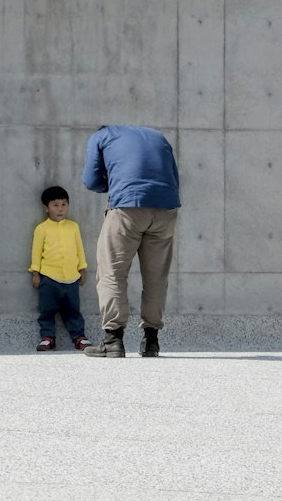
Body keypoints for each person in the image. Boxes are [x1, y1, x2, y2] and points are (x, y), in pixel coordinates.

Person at [80, 126, 180, 359]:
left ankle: (113, 341)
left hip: (127, 207)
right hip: (166, 208)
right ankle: (151, 341)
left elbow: (91, 181)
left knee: (112, 272)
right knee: (157, 277)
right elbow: (173, 176)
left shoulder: (100, 136)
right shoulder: (158, 136)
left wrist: (117, 182)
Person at [29, 186, 91, 351]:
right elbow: (36, 252)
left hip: (72, 277)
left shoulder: (73, 227)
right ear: (46, 208)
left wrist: (83, 269)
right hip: (49, 278)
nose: (60, 208)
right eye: (55, 205)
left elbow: (79, 248)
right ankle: (48, 337)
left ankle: (79, 337)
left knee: (73, 311)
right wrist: (35, 273)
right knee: (47, 310)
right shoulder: (41, 229)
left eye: (64, 204)